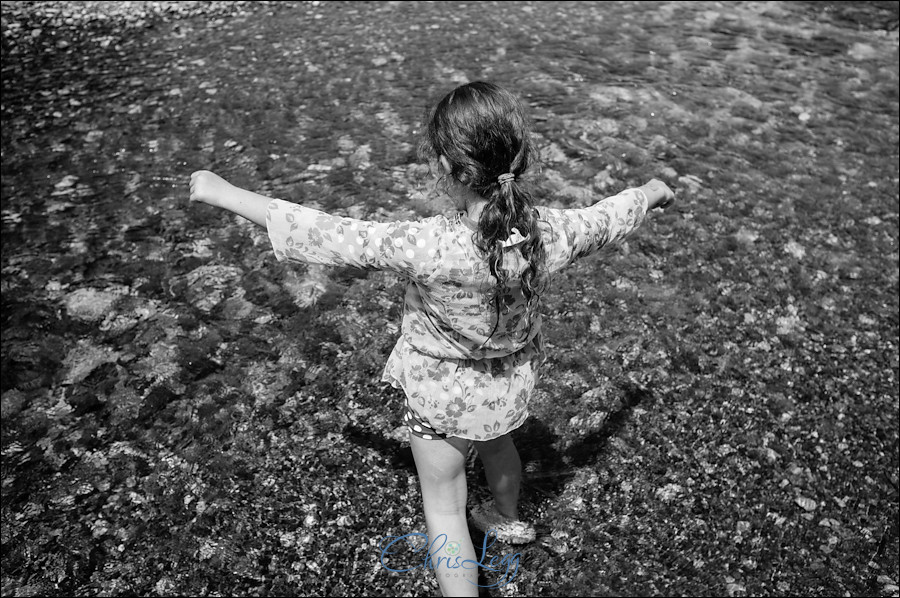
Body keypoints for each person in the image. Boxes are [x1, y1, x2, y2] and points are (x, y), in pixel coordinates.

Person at [189, 81, 674, 597]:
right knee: (500, 444)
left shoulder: (425, 244)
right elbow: (607, 218)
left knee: (444, 506)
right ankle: (508, 519)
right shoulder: (550, 232)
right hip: (507, 387)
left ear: (445, 165)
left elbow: (330, 233)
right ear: (519, 157)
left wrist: (227, 193)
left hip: (441, 400)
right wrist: (649, 192)